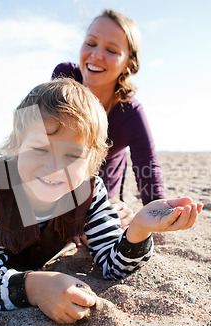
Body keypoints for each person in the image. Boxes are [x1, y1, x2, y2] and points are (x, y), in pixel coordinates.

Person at [0, 78, 203, 324]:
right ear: (15, 146)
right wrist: (36, 288)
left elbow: (110, 263)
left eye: (72, 155)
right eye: (39, 150)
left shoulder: (90, 190)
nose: (54, 168)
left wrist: (137, 230)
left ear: (94, 161)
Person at [52, 9, 164, 227]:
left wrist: (162, 213)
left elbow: (148, 169)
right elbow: (46, 146)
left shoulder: (130, 113)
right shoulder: (64, 77)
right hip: (58, 190)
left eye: (111, 50)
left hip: (102, 199)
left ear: (129, 64)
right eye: (91, 43)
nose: (96, 55)